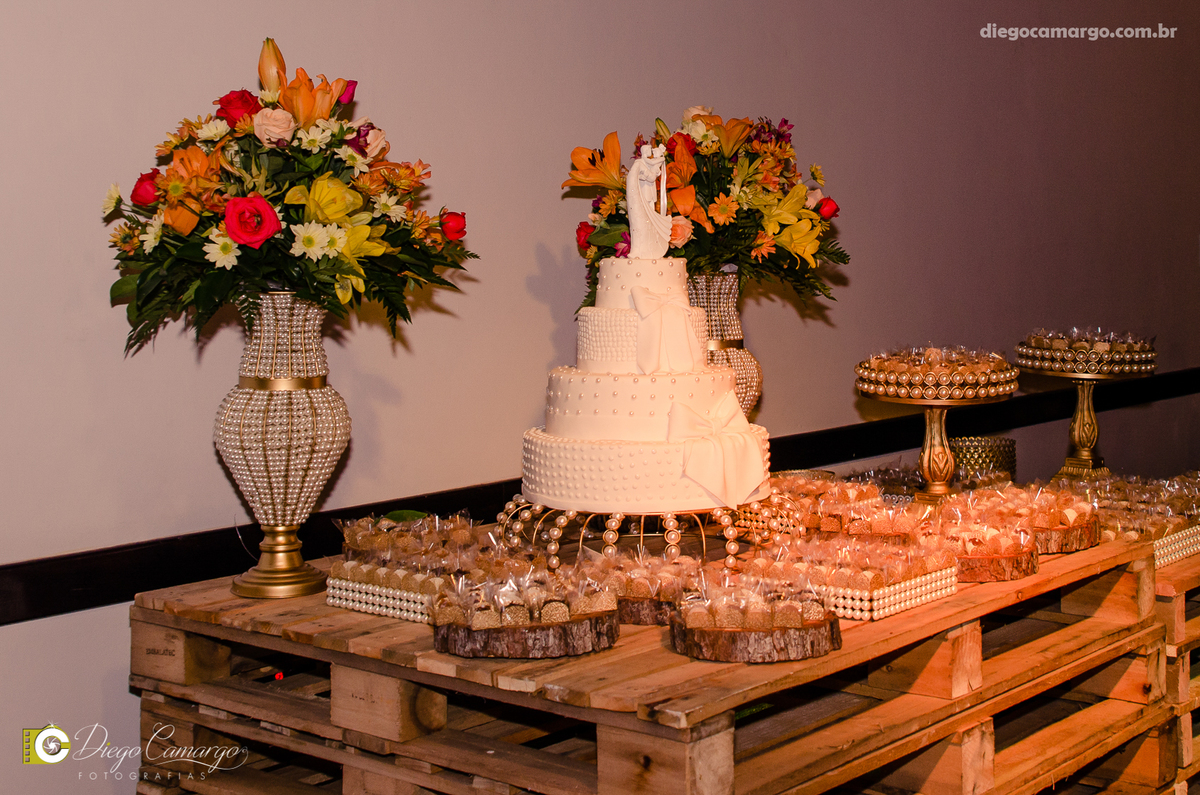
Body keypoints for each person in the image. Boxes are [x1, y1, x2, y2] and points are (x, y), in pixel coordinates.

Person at [626, 144, 672, 258]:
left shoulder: (648, 163)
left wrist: (655, 171)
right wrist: (651, 173)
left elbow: (651, 177)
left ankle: (651, 239)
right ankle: (646, 243)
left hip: (651, 193)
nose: (649, 153)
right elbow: (649, 177)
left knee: (651, 216)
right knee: (644, 216)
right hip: (643, 194)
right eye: (648, 151)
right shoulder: (640, 164)